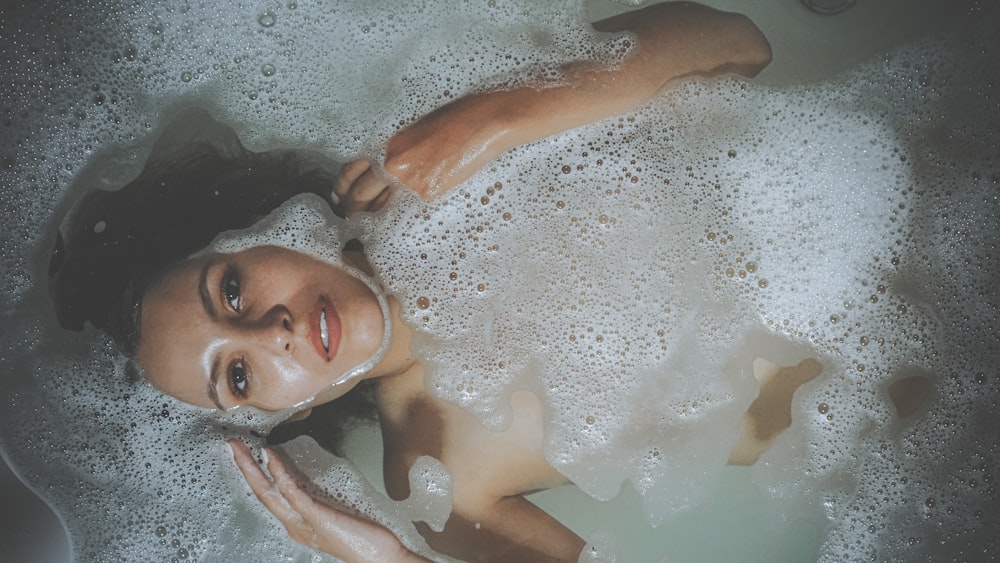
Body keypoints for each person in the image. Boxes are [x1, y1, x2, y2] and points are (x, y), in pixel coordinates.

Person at [50, 3, 772, 561]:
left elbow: (739, 42)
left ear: (257, 225)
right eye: (238, 376)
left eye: (231, 291)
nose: (271, 334)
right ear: (284, 417)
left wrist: (492, 118)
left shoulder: (442, 138)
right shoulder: (434, 473)